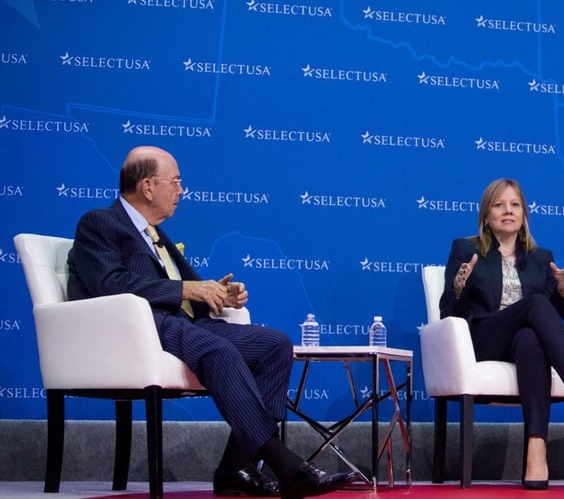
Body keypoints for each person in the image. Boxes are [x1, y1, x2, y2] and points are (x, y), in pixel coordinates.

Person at [66, 146, 359, 499]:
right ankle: (288, 467)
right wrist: (189, 288)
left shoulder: (155, 234)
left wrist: (217, 296)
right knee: (219, 351)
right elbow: (109, 284)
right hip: (138, 329)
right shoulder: (100, 223)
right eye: (175, 182)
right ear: (147, 186)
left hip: (181, 325)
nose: (181, 190)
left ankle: (233, 471)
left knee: (274, 345)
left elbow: (181, 290)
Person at [439, 178, 564, 490]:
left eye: (515, 205)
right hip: (483, 339)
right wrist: (458, 288)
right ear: (486, 214)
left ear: (524, 213)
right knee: (534, 304)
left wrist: (560, 292)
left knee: (532, 339)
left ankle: (536, 451)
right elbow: (447, 312)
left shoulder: (541, 258)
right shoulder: (466, 249)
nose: (508, 211)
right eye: (499, 205)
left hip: (521, 342)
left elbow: (550, 323)